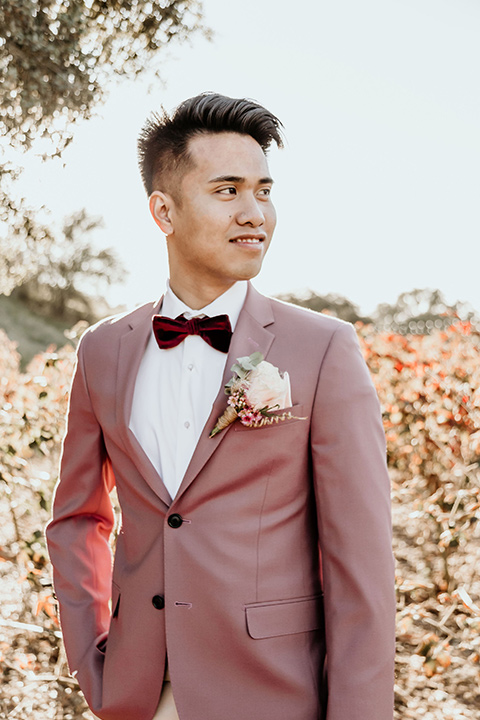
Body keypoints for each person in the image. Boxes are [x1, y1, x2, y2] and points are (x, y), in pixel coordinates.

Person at [46, 92, 396, 720]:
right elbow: (77, 520)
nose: (254, 213)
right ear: (164, 211)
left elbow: (361, 566)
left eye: (264, 191)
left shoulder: (322, 349)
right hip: (137, 694)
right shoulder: (102, 350)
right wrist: (89, 656)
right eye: (228, 190)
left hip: (274, 695)